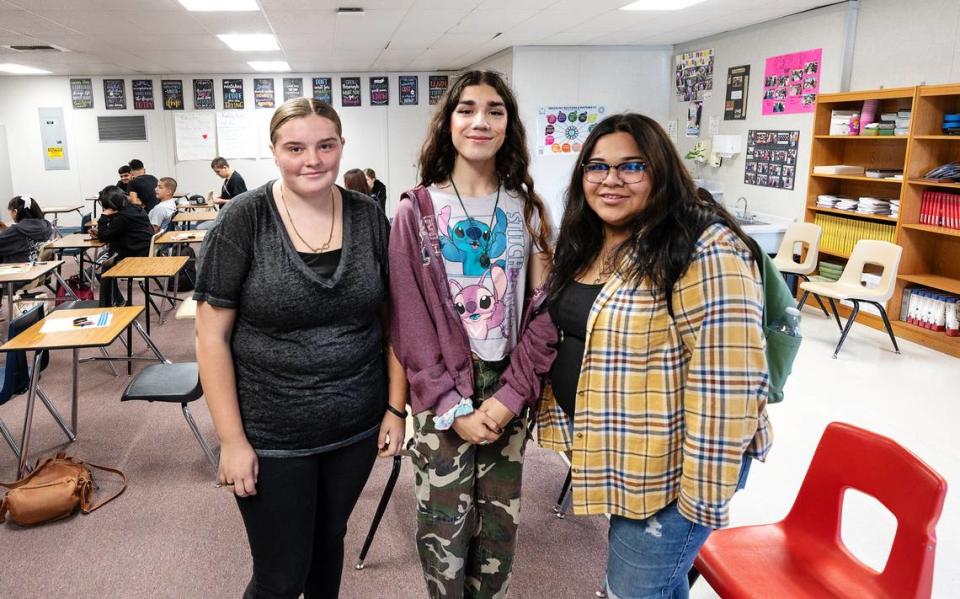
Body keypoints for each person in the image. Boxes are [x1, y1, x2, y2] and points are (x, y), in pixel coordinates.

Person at [538, 113, 772, 599]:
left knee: (631, 590)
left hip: (679, 467)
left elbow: (728, 386)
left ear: (660, 170)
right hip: (630, 454)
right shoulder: (591, 239)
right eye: (597, 167)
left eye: (631, 167)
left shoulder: (704, 248)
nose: (610, 180)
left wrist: (698, 500)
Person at [193, 97, 407, 599]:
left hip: (354, 427)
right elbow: (210, 337)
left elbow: (393, 320)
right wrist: (231, 442)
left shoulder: (368, 216)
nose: (312, 159)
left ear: (341, 147)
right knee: (281, 575)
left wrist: (395, 408)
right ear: (273, 151)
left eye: (325, 145)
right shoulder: (243, 220)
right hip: (272, 432)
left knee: (328, 545)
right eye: (295, 148)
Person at [389, 70, 557, 598]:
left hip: (509, 385)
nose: (480, 121)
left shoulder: (528, 211)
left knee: (499, 526)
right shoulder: (415, 212)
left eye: (494, 110)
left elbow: (544, 313)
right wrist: (450, 406)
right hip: (441, 390)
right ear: (448, 122)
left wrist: (509, 397)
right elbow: (408, 321)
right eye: (466, 109)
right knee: (444, 524)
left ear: (509, 125)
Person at [91, 185, 154, 305]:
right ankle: (116, 300)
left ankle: (108, 305)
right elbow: (118, 232)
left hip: (134, 257)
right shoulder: (136, 209)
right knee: (105, 258)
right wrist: (103, 233)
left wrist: (104, 216)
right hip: (143, 251)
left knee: (107, 265)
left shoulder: (122, 217)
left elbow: (105, 236)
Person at [0, 195, 52, 263]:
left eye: (10, 211)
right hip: (40, 266)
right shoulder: (46, 225)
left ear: (15, 212)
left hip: (19, 268)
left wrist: (7, 232)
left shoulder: (16, 230)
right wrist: (6, 230)